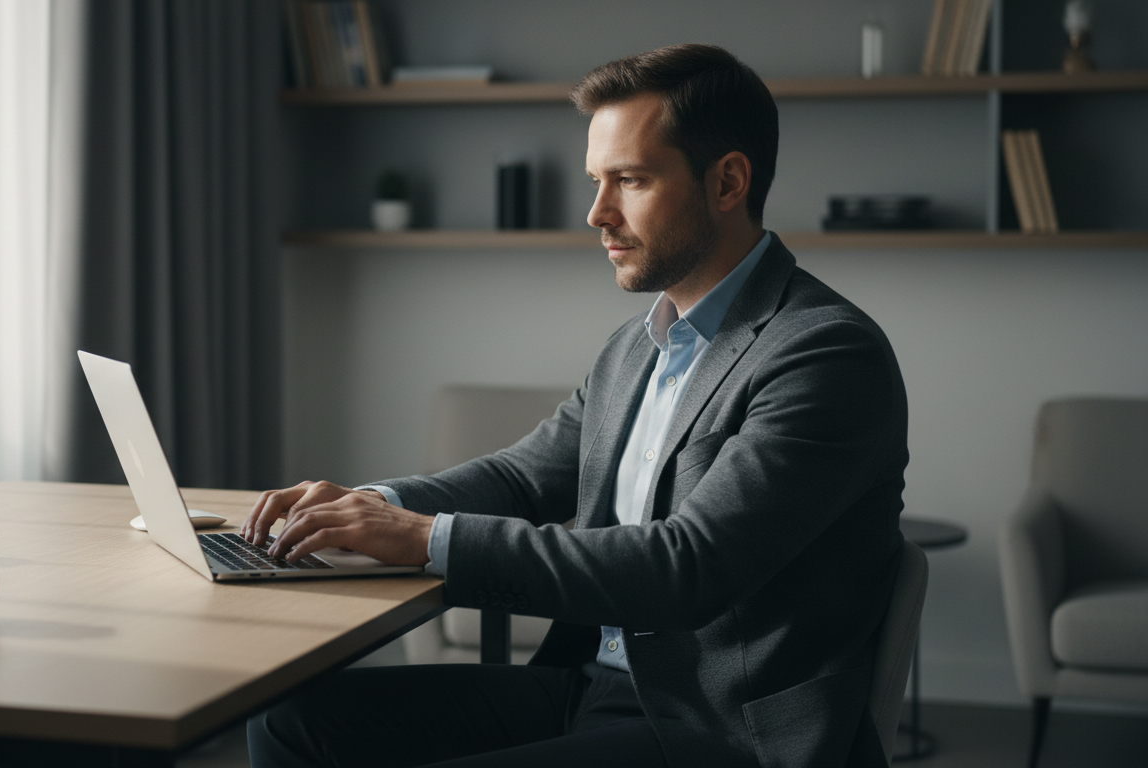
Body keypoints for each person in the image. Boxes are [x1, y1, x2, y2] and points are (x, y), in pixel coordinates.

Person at [243, 43, 907, 768]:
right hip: (598, 686)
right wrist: (369, 506)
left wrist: (425, 538)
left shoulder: (825, 354)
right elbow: (523, 480)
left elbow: (688, 570)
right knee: (289, 725)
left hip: (719, 731)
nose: (597, 213)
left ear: (728, 182)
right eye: (597, 180)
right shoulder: (636, 346)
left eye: (630, 180)